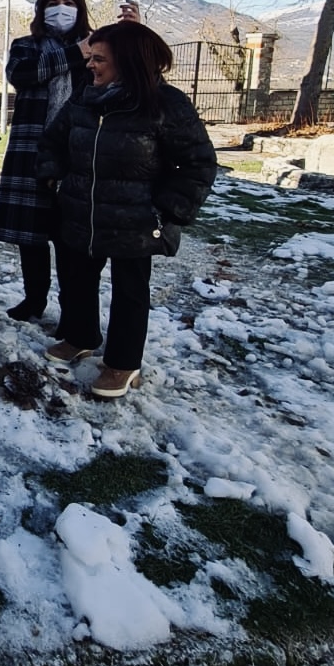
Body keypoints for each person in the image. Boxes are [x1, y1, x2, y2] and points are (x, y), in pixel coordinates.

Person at [36, 22, 217, 398]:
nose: (90, 65)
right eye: (91, 57)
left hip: (136, 221)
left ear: (128, 61)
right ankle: (80, 336)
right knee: (76, 278)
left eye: (99, 59)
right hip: (80, 212)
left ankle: (122, 362)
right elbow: (53, 141)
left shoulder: (166, 104)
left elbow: (198, 163)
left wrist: (166, 208)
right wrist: (53, 177)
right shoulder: (85, 98)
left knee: (130, 291)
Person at [0, 0, 94, 321]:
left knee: (69, 239)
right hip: (31, 149)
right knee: (31, 235)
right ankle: (34, 298)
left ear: (79, 8)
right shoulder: (26, 46)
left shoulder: (97, 48)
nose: (60, 8)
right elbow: (22, 75)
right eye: (53, 2)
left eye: (67, 2)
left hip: (76, 152)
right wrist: (75, 53)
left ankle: (70, 309)